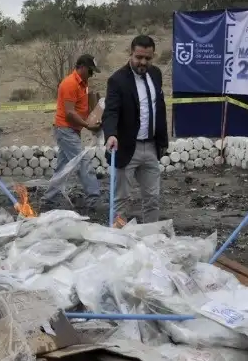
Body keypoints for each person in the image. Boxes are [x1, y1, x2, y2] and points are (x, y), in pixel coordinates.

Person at [102, 34, 169, 223]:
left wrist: (162, 141)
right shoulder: (117, 80)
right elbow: (111, 112)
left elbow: (159, 107)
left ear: (152, 56)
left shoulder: (156, 74)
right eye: (138, 57)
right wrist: (111, 135)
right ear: (130, 54)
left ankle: (151, 241)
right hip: (125, 148)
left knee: (152, 199)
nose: (143, 62)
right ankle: (117, 243)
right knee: (121, 200)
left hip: (151, 147)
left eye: (147, 58)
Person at [41, 54, 103, 209]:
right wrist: (88, 126)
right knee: (84, 162)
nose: (92, 74)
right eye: (90, 71)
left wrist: (96, 106)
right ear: (81, 67)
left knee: (63, 167)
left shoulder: (83, 84)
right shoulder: (70, 83)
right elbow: (69, 113)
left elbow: (85, 108)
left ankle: (49, 200)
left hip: (72, 130)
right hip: (65, 129)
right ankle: (93, 199)